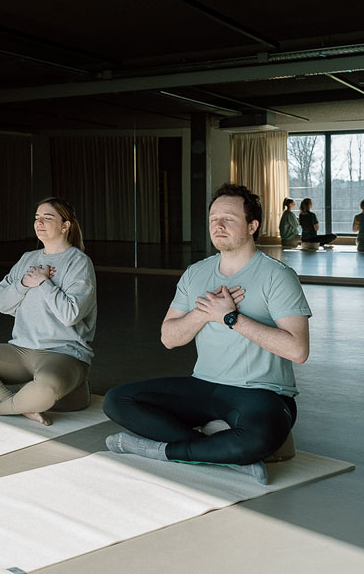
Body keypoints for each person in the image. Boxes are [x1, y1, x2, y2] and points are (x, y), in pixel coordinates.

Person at [103, 183, 311, 484]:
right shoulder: (196, 273)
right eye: (213, 218)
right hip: (205, 386)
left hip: (262, 392)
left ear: (252, 225)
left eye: (229, 218)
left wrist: (230, 318)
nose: (218, 225)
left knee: (260, 435)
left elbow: (298, 350)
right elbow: (169, 338)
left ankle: (159, 450)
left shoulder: (278, 277)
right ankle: (225, 453)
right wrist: (203, 312)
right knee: (117, 400)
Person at [0, 196, 96, 426]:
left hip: (63, 353)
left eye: (48, 218)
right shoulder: (28, 259)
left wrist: (44, 283)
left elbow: (71, 315)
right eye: (37, 218)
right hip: (21, 350)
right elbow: (2, 304)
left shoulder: (78, 263)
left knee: (46, 387)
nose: (39, 223)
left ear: (66, 226)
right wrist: (24, 284)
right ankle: (22, 405)